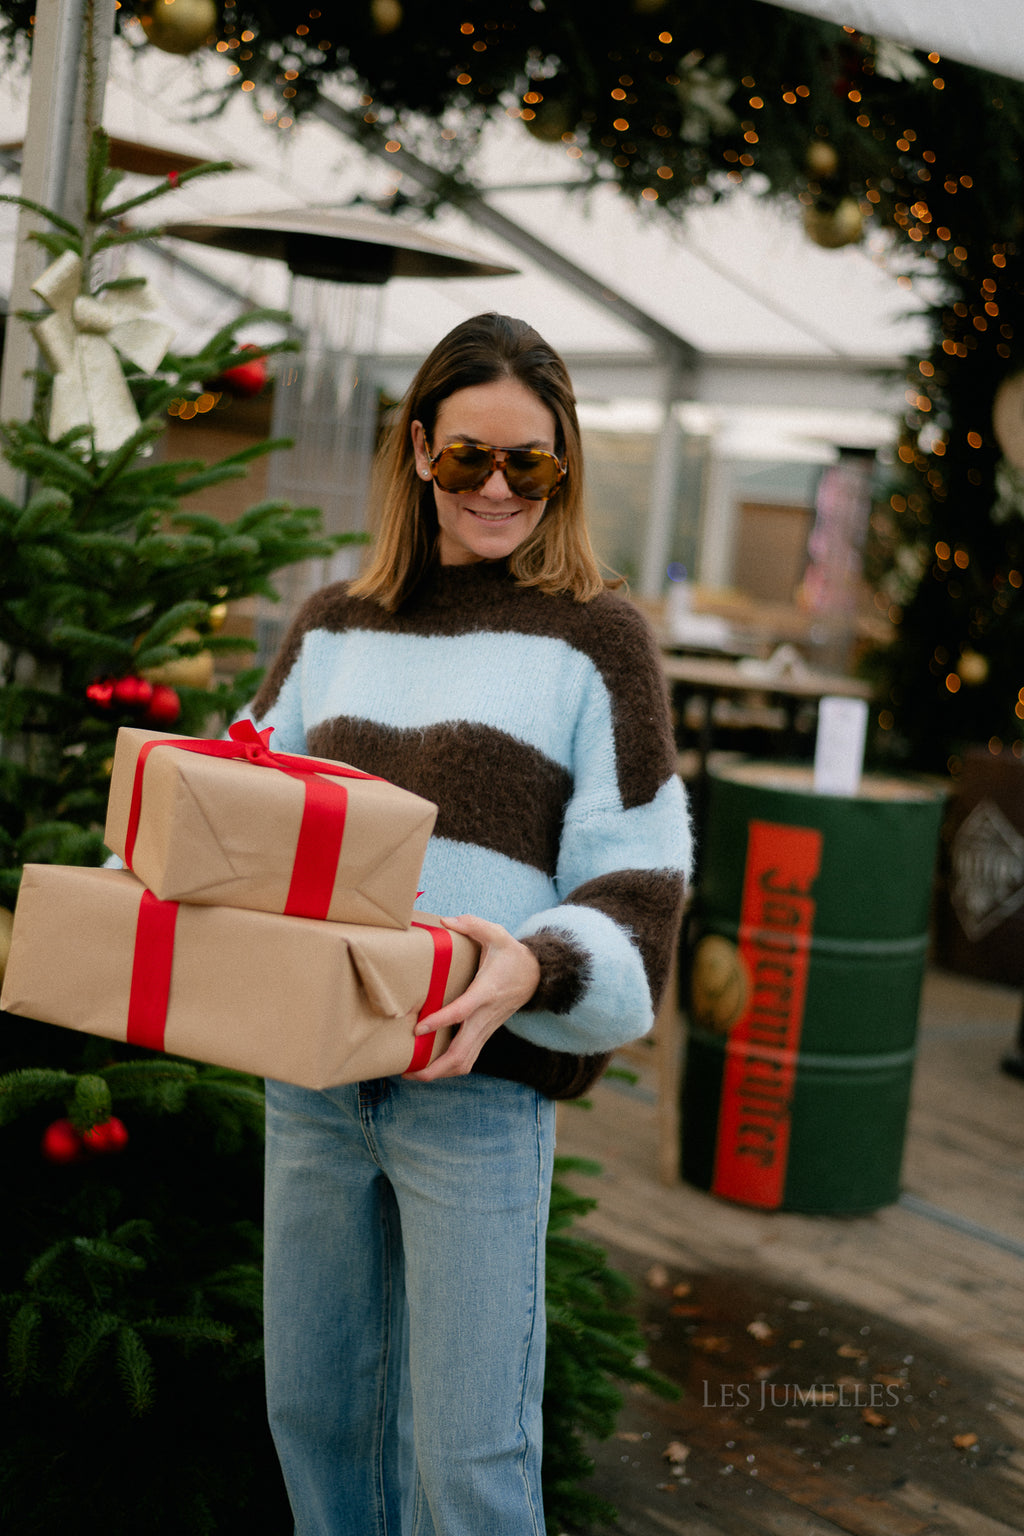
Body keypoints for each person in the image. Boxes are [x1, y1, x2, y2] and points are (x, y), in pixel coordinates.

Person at [249, 312, 693, 1536]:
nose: (496, 487)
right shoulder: (333, 625)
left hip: (476, 1089)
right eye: (466, 460)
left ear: (563, 469)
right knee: (316, 1420)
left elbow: (641, 884)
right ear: (417, 454)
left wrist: (536, 965)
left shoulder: (598, 640)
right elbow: (240, 802)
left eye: (528, 463)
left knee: (471, 1463)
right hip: (316, 1078)